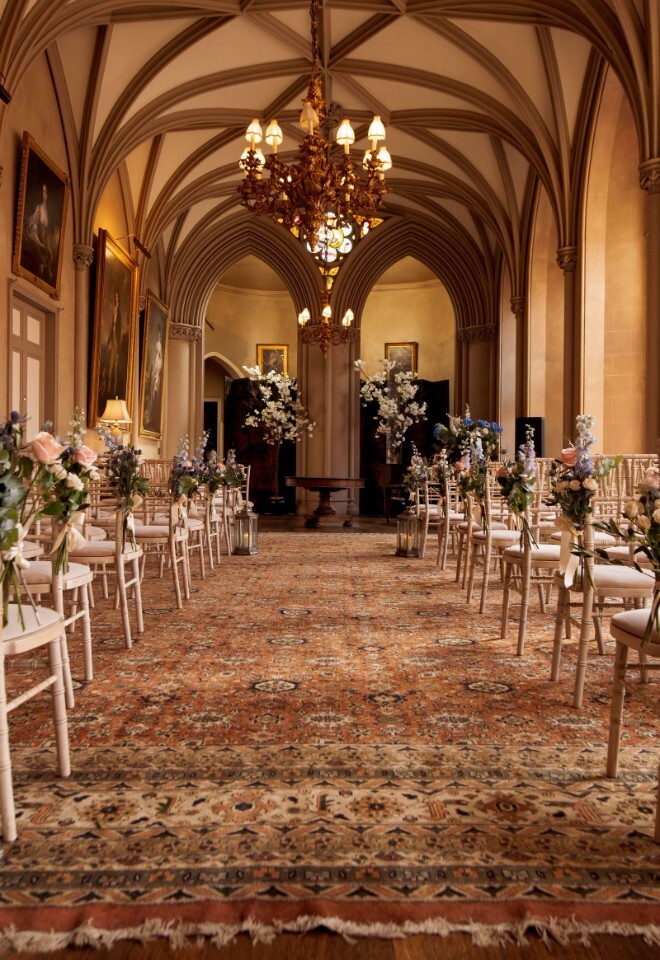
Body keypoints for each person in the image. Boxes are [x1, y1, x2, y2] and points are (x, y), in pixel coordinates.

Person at [24, 183, 54, 285]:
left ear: (48, 194)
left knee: (49, 272)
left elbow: (49, 235)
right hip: (39, 242)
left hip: (46, 245)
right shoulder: (39, 208)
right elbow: (33, 226)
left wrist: (48, 246)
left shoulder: (49, 212)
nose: (43, 194)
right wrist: (40, 243)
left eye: (45, 192)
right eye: (42, 191)